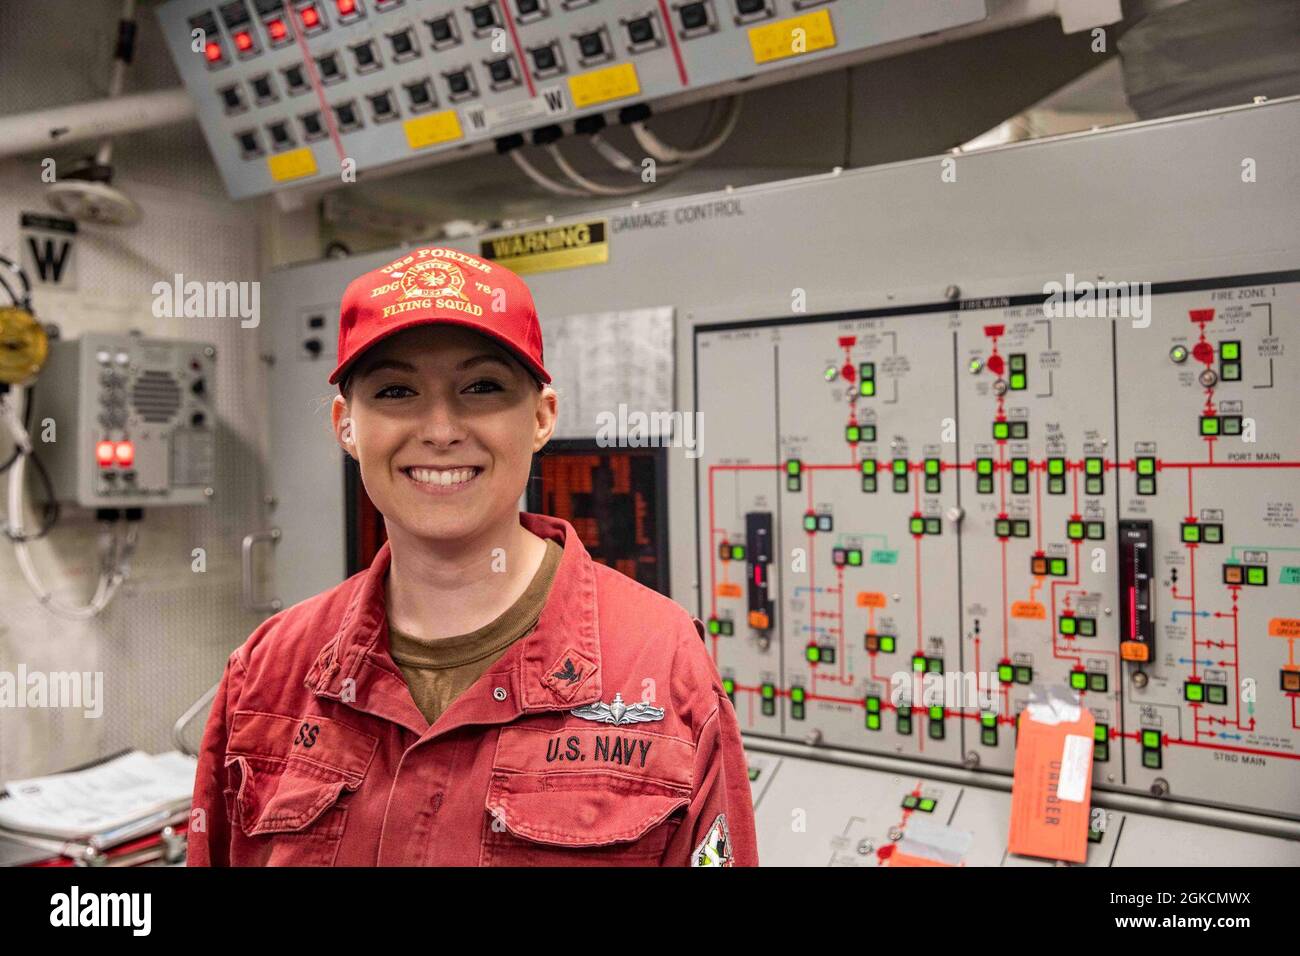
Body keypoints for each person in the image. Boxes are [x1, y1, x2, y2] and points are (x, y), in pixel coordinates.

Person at [188, 246, 757, 866]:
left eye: (482, 387)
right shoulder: (269, 672)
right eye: (396, 390)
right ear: (346, 426)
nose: (439, 429)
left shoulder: (661, 664)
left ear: (541, 418)